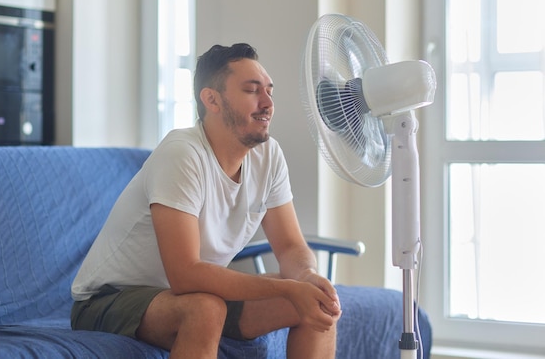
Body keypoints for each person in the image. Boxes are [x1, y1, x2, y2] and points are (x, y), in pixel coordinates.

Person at [71, 43, 342, 359]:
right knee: (205, 309)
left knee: (319, 303)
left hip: (194, 292)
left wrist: (307, 278)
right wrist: (285, 287)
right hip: (108, 299)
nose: (268, 103)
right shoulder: (182, 154)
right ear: (212, 99)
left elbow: (291, 247)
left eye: (269, 91)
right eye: (252, 91)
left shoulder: (269, 157)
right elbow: (185, 274)